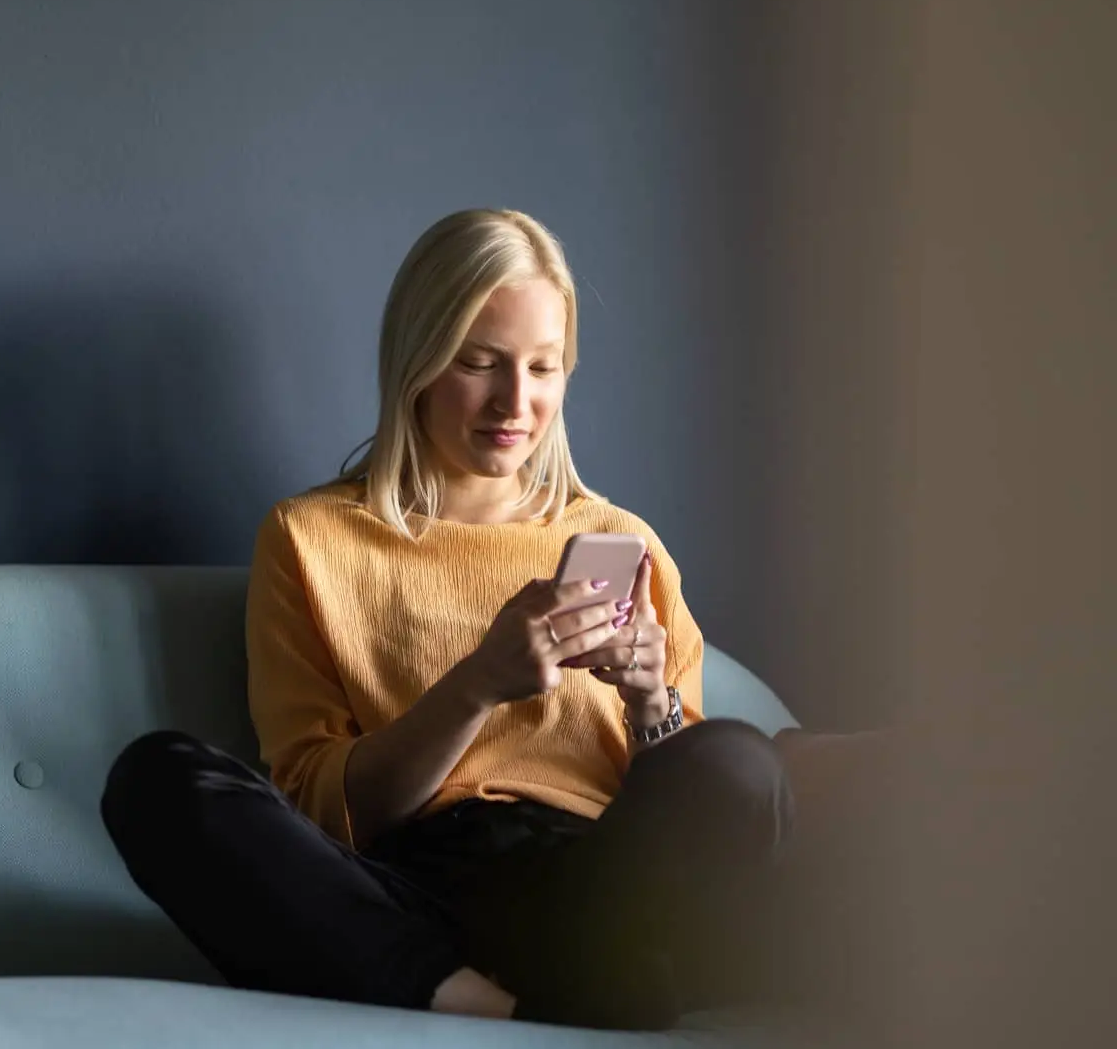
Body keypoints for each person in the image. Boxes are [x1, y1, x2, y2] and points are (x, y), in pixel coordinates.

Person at [100, 209, 798, 1030]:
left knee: (738, 763)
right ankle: (493, 1004)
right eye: (480, 363)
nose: (516, 401)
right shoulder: (311, 538)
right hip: (411, 889)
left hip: (595, 888)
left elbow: (692, 803)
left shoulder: (621, 542)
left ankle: (562, 981)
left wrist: (652, 708)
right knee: (158, 782)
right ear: (418, 362)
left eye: (544, 368)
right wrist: (475, 685)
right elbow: (320, 810)